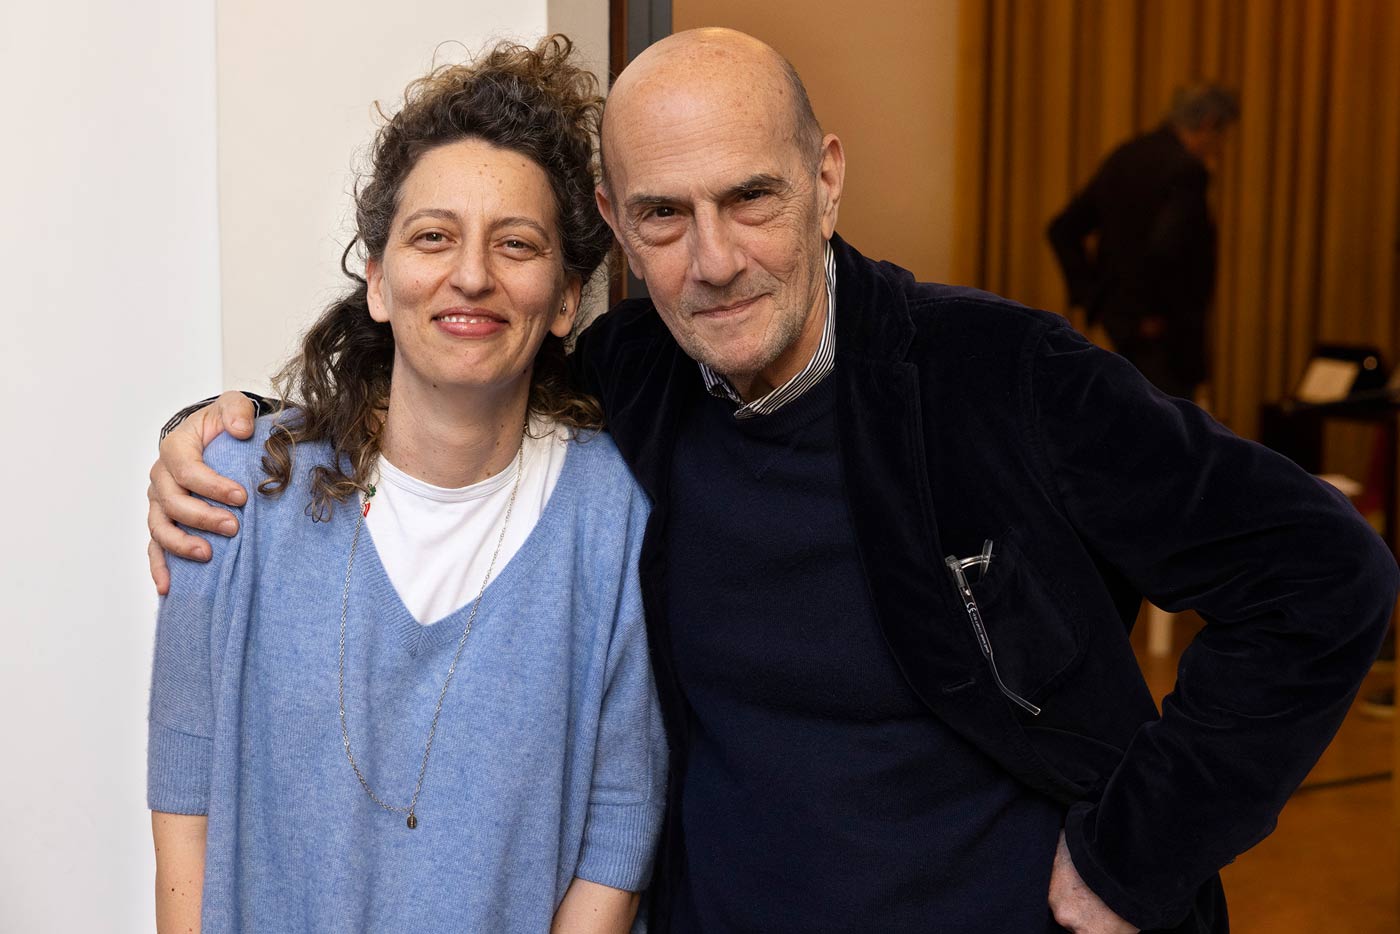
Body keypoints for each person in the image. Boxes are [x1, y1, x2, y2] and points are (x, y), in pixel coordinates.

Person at [147, 29, 1395, 934]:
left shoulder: (998, 378)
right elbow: (458, 352)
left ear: (825, 178)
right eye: (663, 216)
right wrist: (221, 435)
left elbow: (1322, 575)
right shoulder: (632, 378)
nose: (715, 260)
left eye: (750, 198)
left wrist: (1135, 853)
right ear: (614, 227)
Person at [145, 36, 665, 934]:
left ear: (566, 297)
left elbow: (616, 840)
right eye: (433, 237)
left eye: (516, 243)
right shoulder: (233, 491)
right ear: (379, 281)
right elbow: (184, 801)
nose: (472, 275)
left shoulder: (614, 519)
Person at [1047, 84, 1239, 400]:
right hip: (1167, 333)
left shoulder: (1124, 156)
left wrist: (1093, 298)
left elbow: (1063, 230)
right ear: (1209, 124)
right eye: (1222, 136)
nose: (1219, 148)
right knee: (1168, 421)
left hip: (1120, 327)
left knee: (1127, 412)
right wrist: (1151, 312)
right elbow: (1168, 247)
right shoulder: (1187, 169)